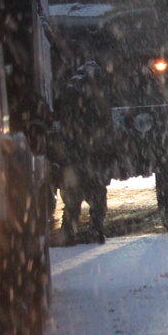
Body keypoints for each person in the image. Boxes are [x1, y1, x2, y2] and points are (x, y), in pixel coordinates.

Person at [54, 61, 113, 243]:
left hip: (74, 153)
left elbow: (61, 117)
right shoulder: (96, 96)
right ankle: (95, 229)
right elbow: (104, 123)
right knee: (96, 195)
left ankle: (69, 232)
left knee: (72, 197)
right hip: (91, 153)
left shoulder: (69, 92)